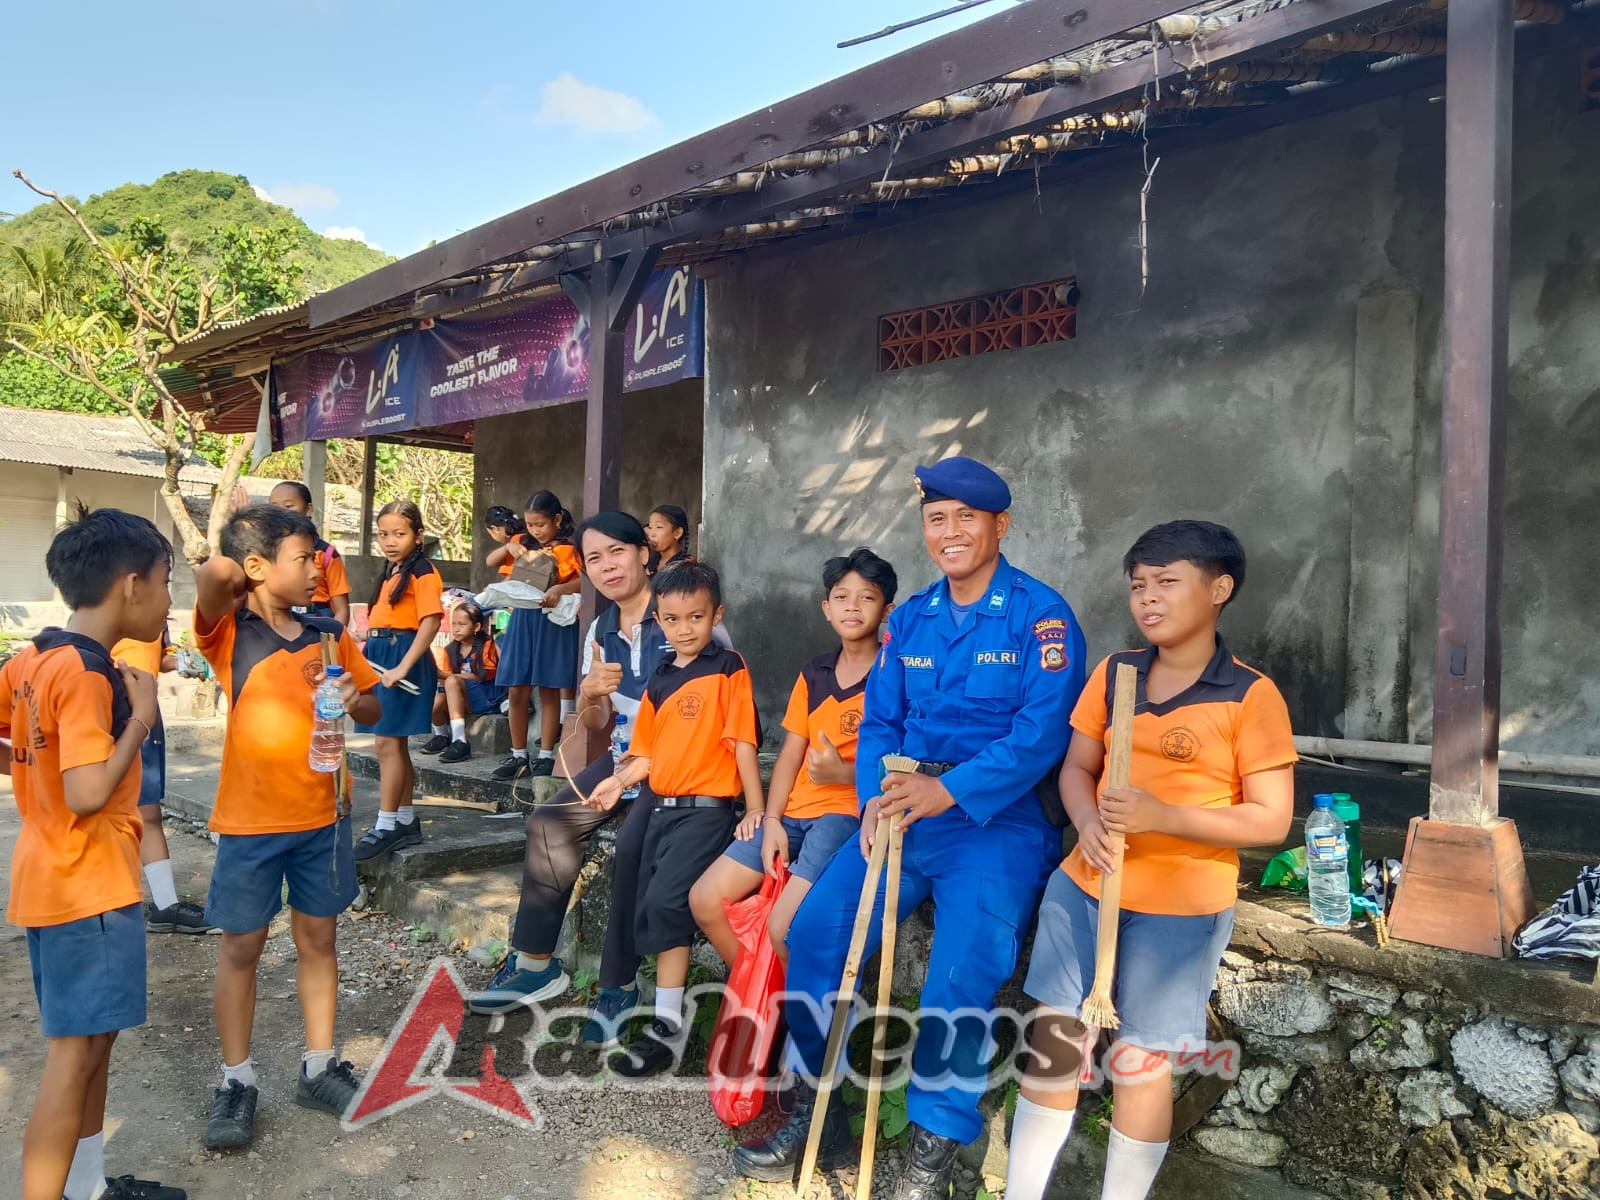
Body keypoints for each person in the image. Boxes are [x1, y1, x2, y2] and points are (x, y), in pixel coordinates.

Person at [732, 456, 1086, 1197]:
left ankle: (932, 1147)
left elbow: (1041, 734)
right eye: (936, 518)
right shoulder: (914, 619)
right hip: (898, 817)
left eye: (966, 517)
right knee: (816, 932)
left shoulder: (1041, 617)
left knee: (961, 975)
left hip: (996, 823)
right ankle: (820, 1111)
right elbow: (883, 718)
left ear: (1000, 526)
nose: (949, 532)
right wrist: (871, 800)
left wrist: (947, 790)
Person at [1005, 521, 1296, 1200]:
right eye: (1139, 585)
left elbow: (1271, 819)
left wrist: (1166, 817)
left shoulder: (1250, 695)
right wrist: (1086, 822)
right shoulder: (1116, 673)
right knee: (1053, 1042)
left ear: (1219, 589)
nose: (1149, 598)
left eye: (1168, 582)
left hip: (1181, 907)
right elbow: (1078, 768)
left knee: (1141, 1064)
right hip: (1084, 886)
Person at [468, 512, 733, 1049]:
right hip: (619, 757)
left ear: (644, 554)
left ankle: (618, 985)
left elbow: (718, 716)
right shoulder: (601, 629)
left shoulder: (686, 614)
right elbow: (595, 723)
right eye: (593, 559)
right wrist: (589, 692)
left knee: (633, 847)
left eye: (617, 551)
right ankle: (536, 963)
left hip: (677, 767)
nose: (607, 566)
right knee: (549, 822)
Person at [4, 507, 185, 1200]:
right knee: (71, 1055)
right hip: (87, 884)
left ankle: (86, 1187)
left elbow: (26, 750)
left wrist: (32, 765)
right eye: (167, 582)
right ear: (131, 584)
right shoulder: (88, 675)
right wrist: (141, 718)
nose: (169, 601)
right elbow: (85, 793)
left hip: (50, 876)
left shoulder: (31, 658)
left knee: (94, 1044)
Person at [192, 504, 383, 1150]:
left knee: (319, 941)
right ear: (257, 566)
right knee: (241, 948)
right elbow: (214, 577)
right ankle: (236, 1079)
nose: (317, 571)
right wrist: (241, 558)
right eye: (304, 560)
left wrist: (356, 699)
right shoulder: (228, 632)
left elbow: (374, 700)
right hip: (250, 824)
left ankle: (319, 1066)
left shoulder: (328, 633)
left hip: (323, 817)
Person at [589, 560, 761, 1079]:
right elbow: (648, 754)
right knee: (656, 912)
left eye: (695, 617)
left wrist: (754, 808)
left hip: (708, 811)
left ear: (716, 616)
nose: (684, 629)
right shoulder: (660, 679)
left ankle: (723, 1011)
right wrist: (616, 782)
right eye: (672, 619)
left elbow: (744, 743)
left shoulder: (729, 668)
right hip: (661, 808)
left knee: (669, 902)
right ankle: (667, 1023)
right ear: (658, 620)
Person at [688, 547, 898, 967]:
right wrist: (769, 820)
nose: (852, 606)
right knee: (705, 899)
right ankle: (760, 995)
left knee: (784, 927)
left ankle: (798, 1018)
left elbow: (901, 762)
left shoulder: (895, 675)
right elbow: (789, 755)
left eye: (867, 597)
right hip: (792, 815)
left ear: (888, 609)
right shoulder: (815, 671)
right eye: (841, 596)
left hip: (845, 817)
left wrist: (845, 774)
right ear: (825, 608)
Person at [352, 500, 444, 861]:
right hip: (380, 656)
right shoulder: (393, 569)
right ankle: (404, 819)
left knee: (387, 745)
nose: (389, 541)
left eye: (399, 534)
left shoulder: (423, 572)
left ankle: (386, 824)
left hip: (403, 657)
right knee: (393, 745)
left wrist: (404, 667)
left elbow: (431, 622)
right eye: (383, 534)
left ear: (418, 535)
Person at [109, 627, 216, 934]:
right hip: (119, 709)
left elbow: (156, 657)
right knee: (122, 808)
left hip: (143, 710)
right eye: (163, 581)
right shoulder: (112, 603)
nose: (167, 598)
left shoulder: (153, 616)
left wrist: (185, 663)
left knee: (148, 809)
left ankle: (165, 904)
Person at [490, 491, 581, 782]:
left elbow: (584, 579)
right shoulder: (521, 542)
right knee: (516, 687)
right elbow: (492, 560)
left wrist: (559, 590)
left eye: (540, 524)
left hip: (552, 619)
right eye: (529, 524)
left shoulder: (570, 547)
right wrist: (511, 547)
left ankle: (545, 754)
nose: (535, 530)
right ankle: (518, 754)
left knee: (549, 686)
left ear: (557, 519)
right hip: (522, 617)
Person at [420, 599, 504, 763]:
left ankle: (460, 740)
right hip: (463, 695)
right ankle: (441, 736)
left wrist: (444, 676)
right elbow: (448, 682)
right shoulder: (450, 649)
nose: (456, 628)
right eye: (453, 624)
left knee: (450, 681)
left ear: (476, 627)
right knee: (436, 699)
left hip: (486, 695)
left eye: (462, 624)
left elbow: (483, 676)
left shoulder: (487, 645)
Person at [268, 481, 351, 627]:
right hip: (284, 622)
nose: (282, 513)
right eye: (274, 508)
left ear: (308, 509)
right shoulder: (267, 552)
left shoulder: (327, 554)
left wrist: (336, 639)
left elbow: (341, 609)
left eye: (289, 506)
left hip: (319, 620)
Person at [645, 504, 691, 571]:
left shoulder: (686, 566)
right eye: (650, 527)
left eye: (659, 527)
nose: (651, 534)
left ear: (677, 533)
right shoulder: (650, 562)